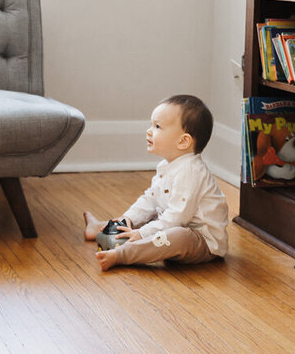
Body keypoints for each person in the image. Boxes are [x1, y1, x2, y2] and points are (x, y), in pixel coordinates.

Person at [82, 95, 229, 270]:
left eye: (157, 126)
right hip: (171, 225)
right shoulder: (166, 165)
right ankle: (101, 227)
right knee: (148, 217)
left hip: (201, 241)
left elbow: (177, 218)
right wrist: (128, 218)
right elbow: (150, 200)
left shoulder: (190, 171)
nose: (149, 131)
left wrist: (142, 233)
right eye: (151, 125)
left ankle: (123, 254)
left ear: (183, 141)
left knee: (178, 235)